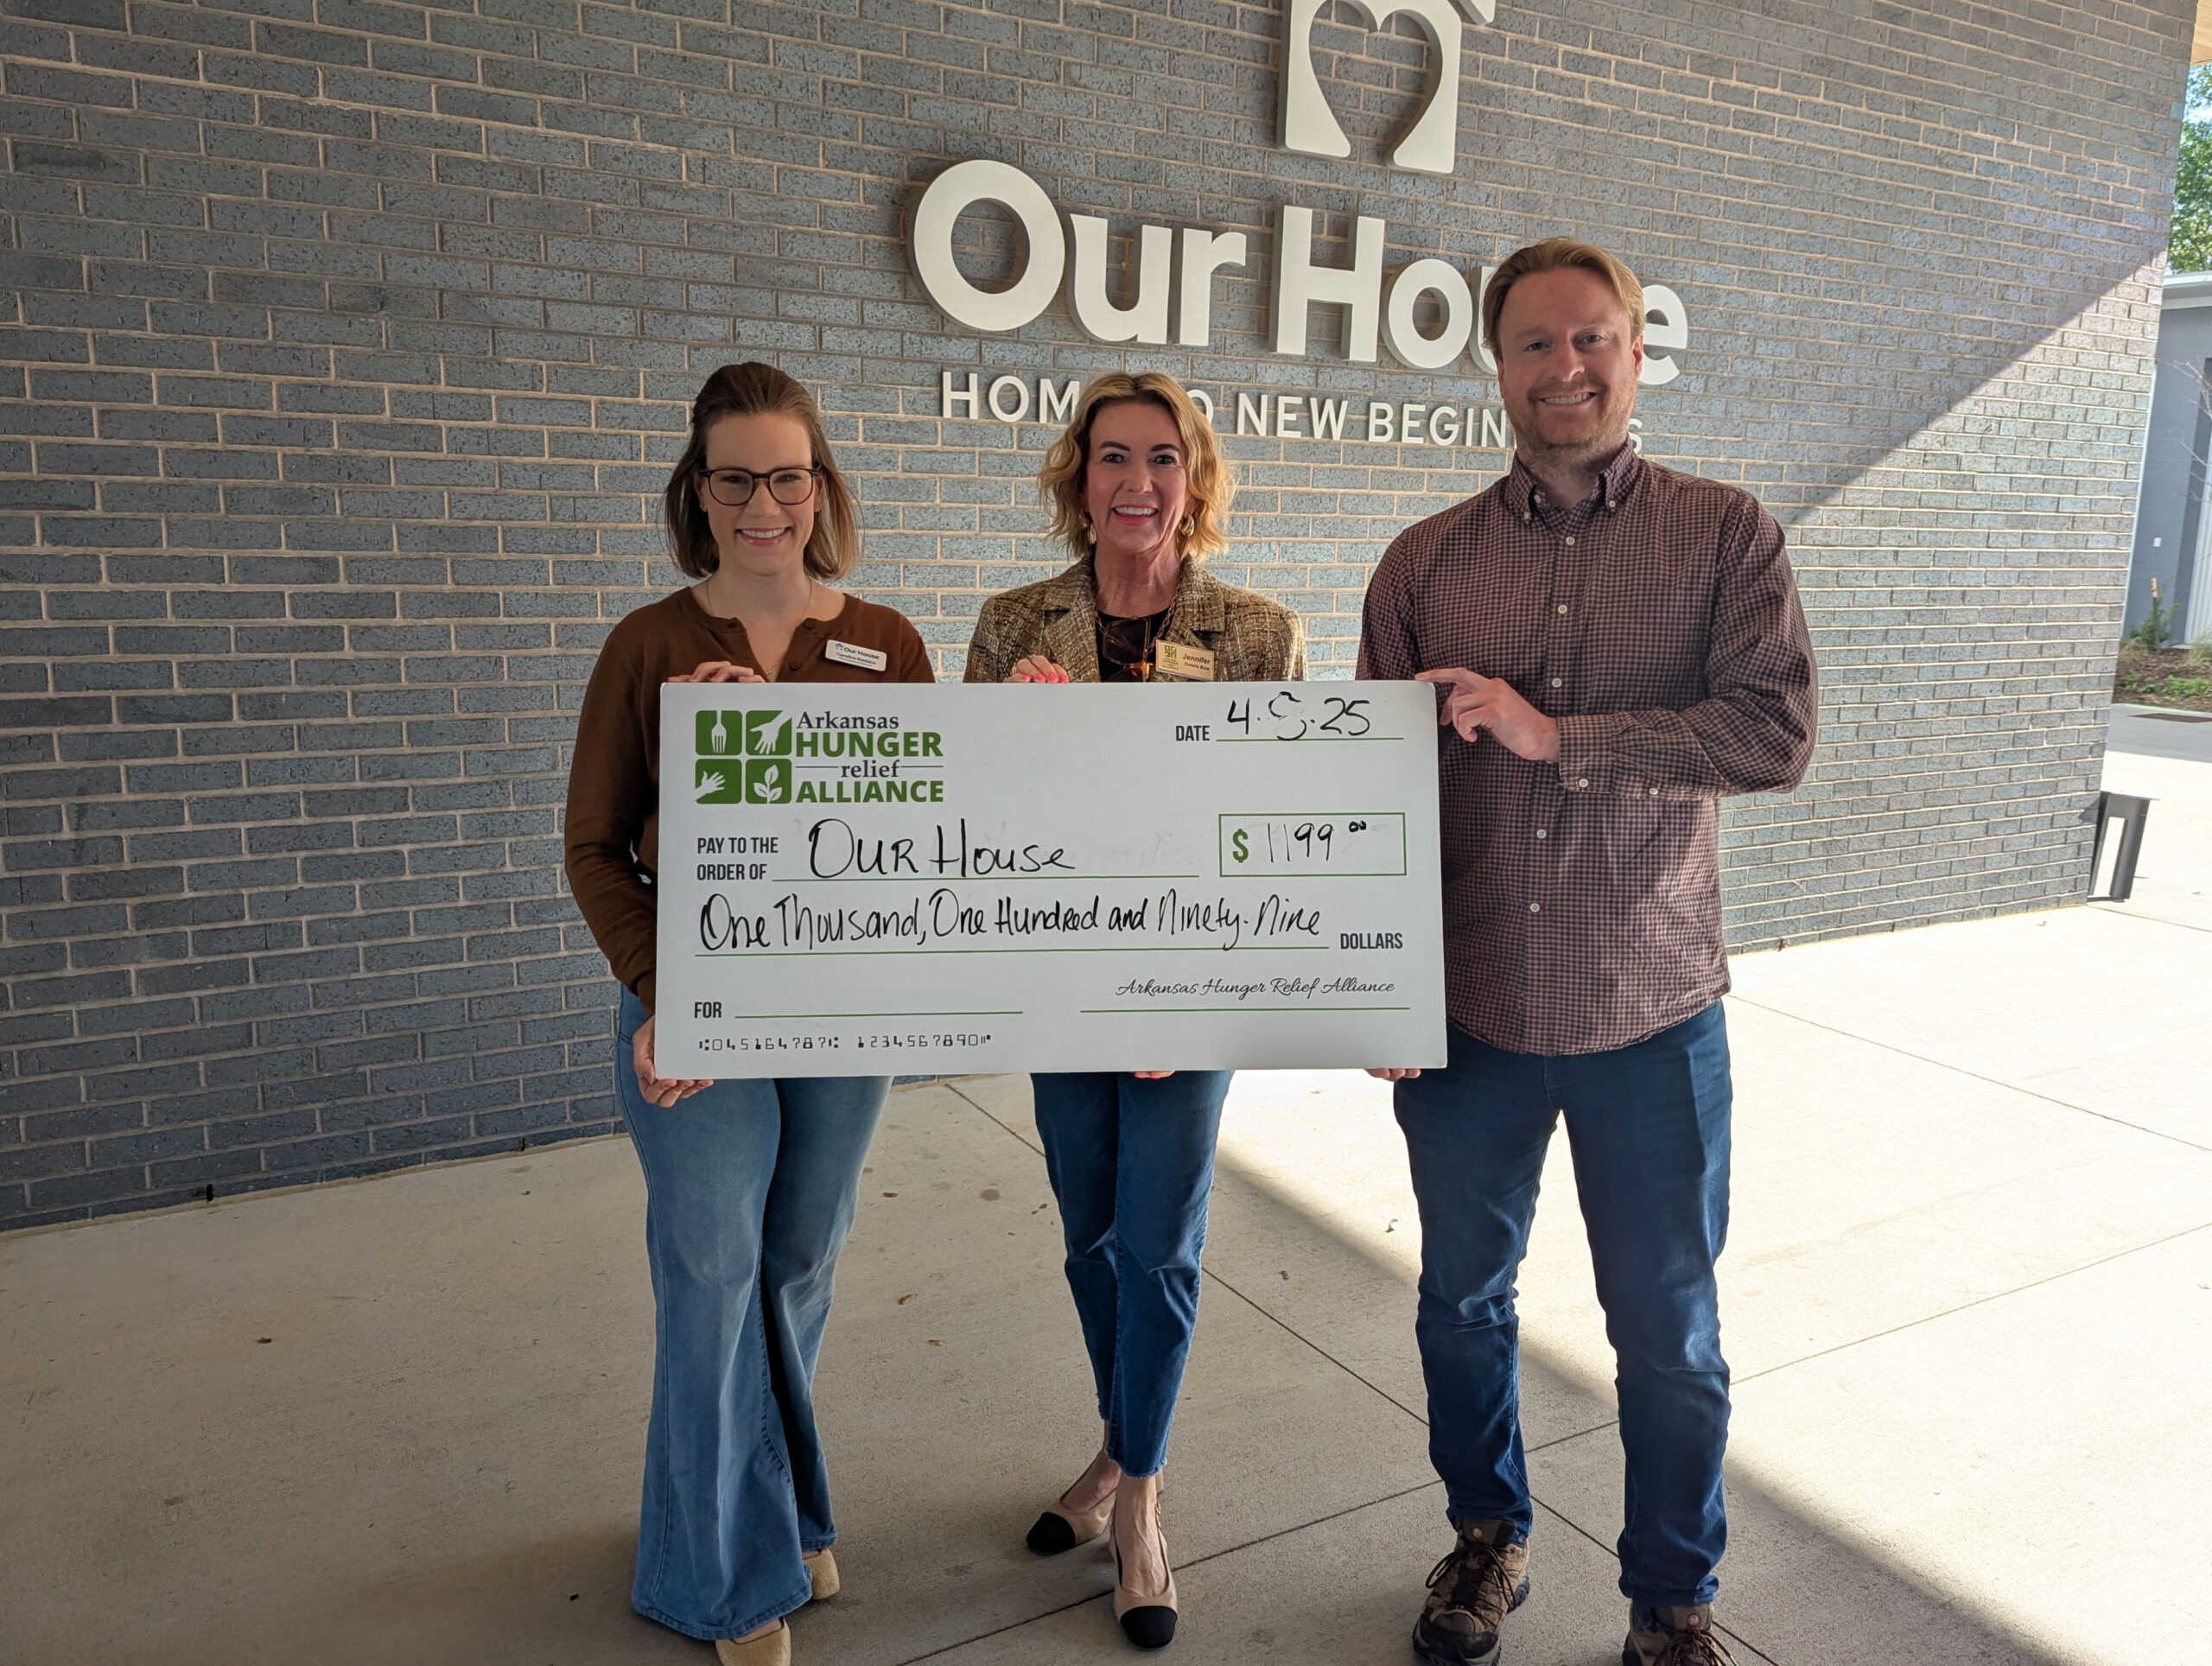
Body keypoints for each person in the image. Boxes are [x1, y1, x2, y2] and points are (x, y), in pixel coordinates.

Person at [1359, 239, 1818, 1666]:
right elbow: (1368, 794)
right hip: (1473, 1012)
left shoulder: (1725, 534)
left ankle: (1671, 1599)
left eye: (1595, 339)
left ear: (1637, 349)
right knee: (1459, 1303)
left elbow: (1776, 733)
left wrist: (1565, 739)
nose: (1569, 368)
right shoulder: (1425, 561)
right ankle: (1487, 1536)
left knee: (1670, 1336)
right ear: (1494, 367)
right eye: (1538, 345)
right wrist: (1374, 971)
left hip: (1649, 1011)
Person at [564, 360, 932, 1666]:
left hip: (845, 1012)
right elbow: (596, 848)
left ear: (820, 487)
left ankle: (772, 1511)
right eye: (737, 478)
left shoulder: (884, 642)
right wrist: (666, 998)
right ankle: (722, 1579)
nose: (764, 501)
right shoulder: (651, 646)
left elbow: (931, 833)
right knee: (712, 1275)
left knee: (795, 1265)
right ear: (699, 493)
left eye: (788, 475)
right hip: (696, 1008)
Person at [964, 371, 1304, 1650]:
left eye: (1162, 458)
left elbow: (1274, 839)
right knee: (1089, 1234)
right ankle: (1118, 1448)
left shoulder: (1263, 634)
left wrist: (1209, 994)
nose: (1137, 483)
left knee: (1158, 1244)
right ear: (1078, 475)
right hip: (1059, 994)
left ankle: (1142, 1497)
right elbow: (978, 827)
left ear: (1195, 480)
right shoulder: (1014, 629)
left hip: (1189, 1000)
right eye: (1112, 457)